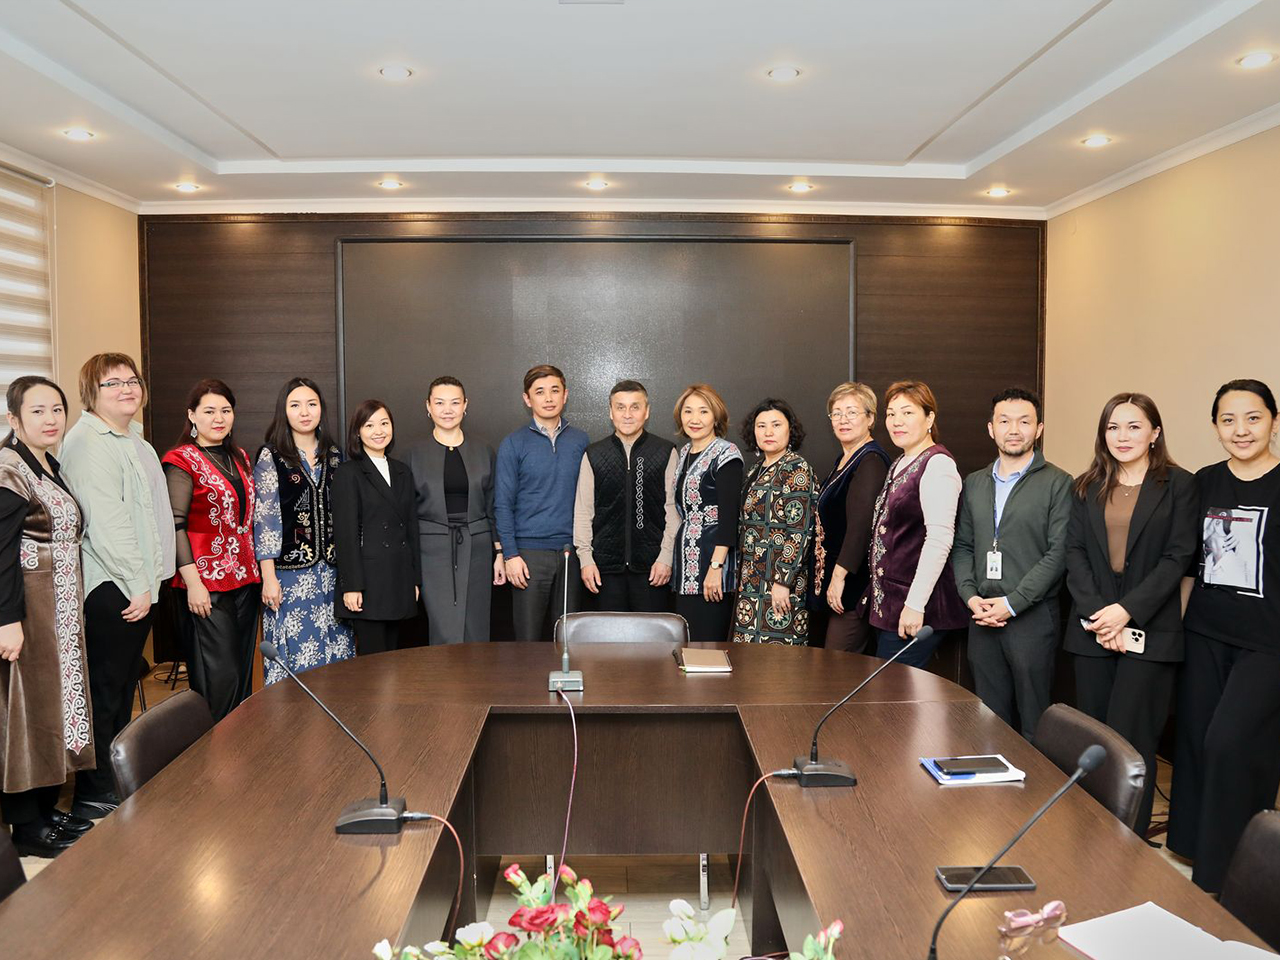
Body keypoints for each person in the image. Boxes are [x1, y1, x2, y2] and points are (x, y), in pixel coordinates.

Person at [1063, 392, 1196, 839]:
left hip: (1151, 630)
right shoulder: (1086, 485)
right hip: (1093, 630)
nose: (1122, 436)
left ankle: (1127, 844)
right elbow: (1075, 554)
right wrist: (1101, 616)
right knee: (1094, 739)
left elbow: (1178, 557)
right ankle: (1089, 837)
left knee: (1133, 740)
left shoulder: (1179, 485)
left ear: (1155, 432)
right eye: (1113, 427)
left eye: (1134, 426)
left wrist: (1126, 612)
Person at [1169, 379, 1280, 891]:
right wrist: (1178, 631)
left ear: (1273, 422)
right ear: (1215, 427)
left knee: (1230, 743)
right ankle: (1192, 847)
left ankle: (1229, 870)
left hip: (1267, 643)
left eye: (1253, 418)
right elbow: (1188, 566)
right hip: (1205, 633)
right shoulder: (1204, 483)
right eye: (1228, 420)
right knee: (1195, 741)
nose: (1241, 430)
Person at [59, 353, 175, 822]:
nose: (127, 388)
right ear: (92, 393)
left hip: (140, 583)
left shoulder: (135, 438)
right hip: (115, 585)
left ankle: (116, 777)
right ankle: (93, 791)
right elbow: (107, 524)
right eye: (113, 383)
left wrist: (153, 579)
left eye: (132, 380)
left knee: (124, 685)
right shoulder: (87, 443)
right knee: (105, 691)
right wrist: (139, 584)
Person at [0, 377, 94, 856]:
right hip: (28, 612)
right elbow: (1, 551)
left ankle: (45, 809)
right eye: (37, 411)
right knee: (25, 709)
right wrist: (7, 620)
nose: (51, 419)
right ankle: (25, 826)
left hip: (58, 609)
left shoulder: (45, 463)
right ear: (14, 418)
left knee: (52, 707)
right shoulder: (8, 469)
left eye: (57, 409)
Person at [952, 387, 1072, 740]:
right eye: (1005, 421)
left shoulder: (1059, 483)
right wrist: (970, 597)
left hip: (1031, 617)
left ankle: (1037, 779)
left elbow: (1058, 554)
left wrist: (1013, 603)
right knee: (988, 720)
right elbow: (963, 546)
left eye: (1024, 421)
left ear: (1039, 428)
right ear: (991, 429)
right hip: (982, 615)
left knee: (1035, 719)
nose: (1014, 430)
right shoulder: (975, 483)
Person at [163, 379, 260, 722]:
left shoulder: (240, 456)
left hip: (245, 578)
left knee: (243, 670)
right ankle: (213, 747)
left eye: (225, 410)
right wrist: (193, 583)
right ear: (192, 415)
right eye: (209, 411)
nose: (219, 418)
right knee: (220, 674)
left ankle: (240, 743)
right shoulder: (180, 460)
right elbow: (175, 525)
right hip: (205, 582)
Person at [252, 378, 354, 683]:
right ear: (284, 411)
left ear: (321, 408)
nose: (305, 412)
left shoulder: (334, 455)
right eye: (295, 405)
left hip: (333, 574)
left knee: (336, 651)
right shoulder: (272, 456)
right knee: (295, 652)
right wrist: (268, 577)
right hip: (290, 576)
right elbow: (266, 519)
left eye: (312, 404)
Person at [865, 381, 968, 667]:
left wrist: (915, 604)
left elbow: (939, 539)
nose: (897, 421)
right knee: (896, 690)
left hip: (917, 607)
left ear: (929, 418)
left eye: (907, 413)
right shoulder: (901, 461)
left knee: (891, 689)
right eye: (891, 414)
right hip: (890, 605)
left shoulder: (937, 464)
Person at [494, 365, 589, 641]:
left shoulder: (581, 441)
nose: (548, 398)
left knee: (568, 640)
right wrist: (510, 555)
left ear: (565, 395)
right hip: (528, 554)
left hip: (571, 552)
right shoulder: (513, 443)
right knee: (528, 641)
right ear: (527, 399)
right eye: (539, 392)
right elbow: (502, 504)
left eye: (554, 390)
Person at [407, 376, 503, 644]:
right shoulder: (413, 453)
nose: (447, 410)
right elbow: (406, 513)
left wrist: (500, 553)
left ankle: (476, 673)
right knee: (444, 628)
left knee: (475, 626)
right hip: (431, 550)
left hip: (478, 546)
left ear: (465, 405)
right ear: (428, 406)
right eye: (439, 403)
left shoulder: (484, 450)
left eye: (455, 403)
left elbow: (494, 505)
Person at [574, 380, 679, 612]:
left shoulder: (665, 451)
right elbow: (583, 511)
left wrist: (666, 557)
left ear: (647, 411)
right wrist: (586, 560)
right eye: (620, 407)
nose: (628, 414)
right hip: (604, 570)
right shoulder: (594, 454)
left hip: (653, 569)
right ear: (611, 412)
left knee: (652, 635)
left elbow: (673, 510)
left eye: (635, 407)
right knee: (608, 635)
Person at [332, 399, 420, 654]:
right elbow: (346, 534)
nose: (378, 431)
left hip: (399, 578)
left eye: (384, 423)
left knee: (395, 659)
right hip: (368, 583)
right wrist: (351, 586)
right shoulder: (348, 473)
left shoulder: (402, 471)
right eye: (369, 425)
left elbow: (411, 528)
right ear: (357, 432)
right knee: (373, 663)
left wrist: (415, 580)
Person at [812, 382, 890, 653]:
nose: (843, 419)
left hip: (853, 584)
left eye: (852, 412)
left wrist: (839, 577)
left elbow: (861, 527)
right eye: (836, 413)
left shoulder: (870, 461)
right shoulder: (844, 459)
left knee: (838, 666)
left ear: (870, 418)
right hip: (835, 581)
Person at [732, 399, 817, 645]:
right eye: (761, 426)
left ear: (790, 430)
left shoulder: (796, 469)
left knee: (777, 658)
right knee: (748, 657)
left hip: (780, 584)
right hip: (752, 580)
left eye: (776, 425)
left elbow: (800, 530)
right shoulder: (757, 468)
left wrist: (783, 580)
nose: (768, 432)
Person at [671, 385, 744, 642]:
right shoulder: (684, 453)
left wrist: (716, 567)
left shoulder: (726, 454)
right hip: (686, 567)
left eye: (703, 411)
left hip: (713, 563)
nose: (695, 418)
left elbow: (729, 517)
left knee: (709, 646)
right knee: (687, 644)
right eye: (688, 411)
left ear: (716, 416)